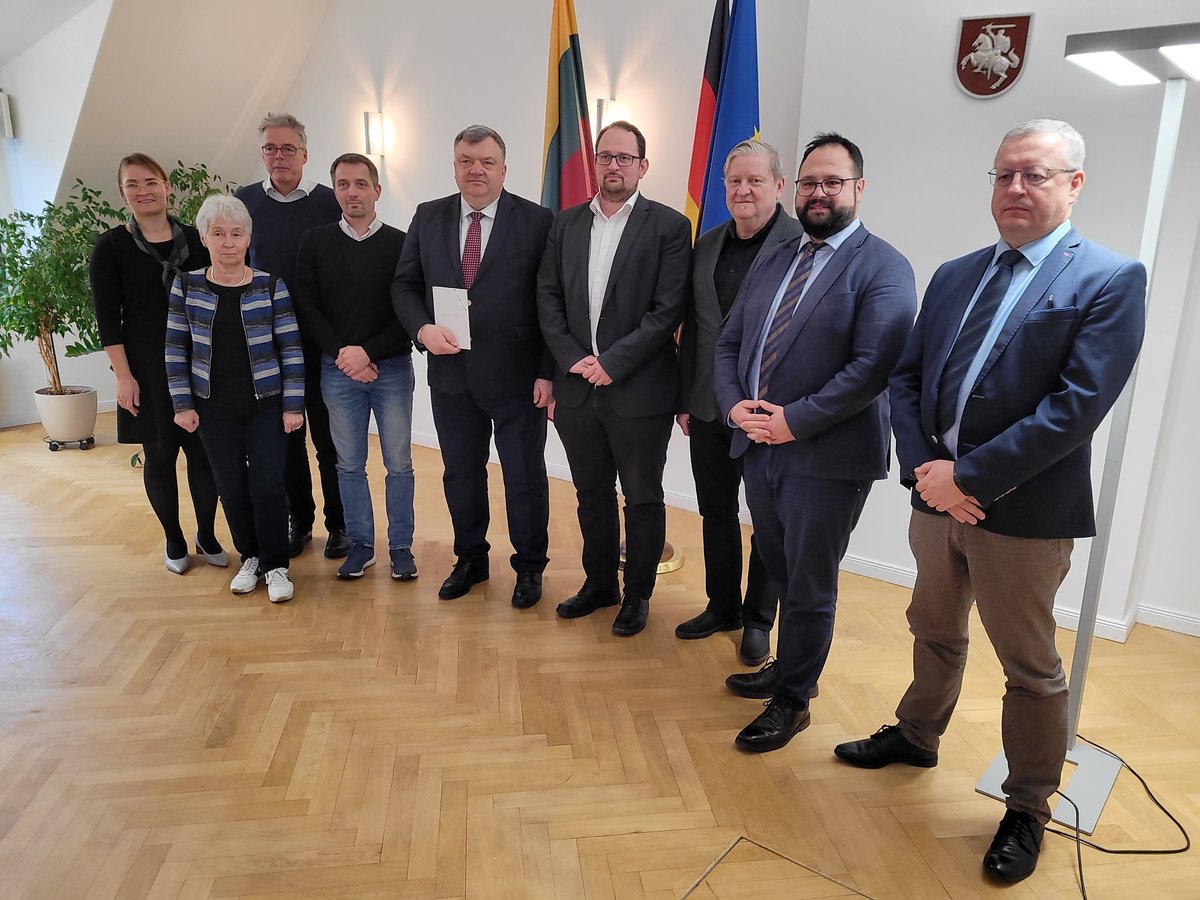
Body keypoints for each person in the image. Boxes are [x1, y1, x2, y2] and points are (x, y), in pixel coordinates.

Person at [834, 120, 1146, 884]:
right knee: (933, 628)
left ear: (1074, 185)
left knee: (1031, 666)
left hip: (1026, 514)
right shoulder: (955, 273)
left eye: (1035, 175)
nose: (1015, 188)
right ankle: (916, 733)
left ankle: (1028, 806)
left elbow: (1075, 410)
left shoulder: (1109, 278)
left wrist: (966, 478)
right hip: (935, 498)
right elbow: (905, 381)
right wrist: (926, 468)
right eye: (1004, 174)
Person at [714, 133, 916, 751]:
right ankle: (789, 666)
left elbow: (872, 367)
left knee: (809, 583)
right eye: (808, 183)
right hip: (759, 447)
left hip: (826, 458)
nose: (818, 193)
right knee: (778, 565)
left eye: (832, 181)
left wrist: (792, 421)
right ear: (793, 190)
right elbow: (728, 344)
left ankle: (794, 700)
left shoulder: (884, 266)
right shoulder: (776, 257)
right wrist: (734, 408)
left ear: (858, 188)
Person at [537, 120, 691, 636]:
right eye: (606, 156)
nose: (614, 166)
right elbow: (549, 299)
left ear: (643, 166)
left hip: (639, 391)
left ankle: (637, 596)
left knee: (642, 497)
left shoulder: (669, 227)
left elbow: (667, 310)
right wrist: (572, 359)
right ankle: (599, 584)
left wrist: (613, 362)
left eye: (625, 158)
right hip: (578, 389)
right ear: (594, 164)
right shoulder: (564, 225)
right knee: (591, 493)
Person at [392, 125, 553, 607]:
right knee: (460, 473)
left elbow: (552, 301)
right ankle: (471, 560)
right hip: (451, 376)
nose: (476, 169)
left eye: (486, 161)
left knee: (523, 476)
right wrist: (421, 330)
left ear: (504, 168)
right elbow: (404, 286)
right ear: (454, 165)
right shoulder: (428, 216)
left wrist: (548, 370)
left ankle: (529, 567)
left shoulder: (538, 221)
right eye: (466, 160)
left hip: (519, 377)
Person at [675, 139, 802, 666]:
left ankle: (758, 619)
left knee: (768, 520)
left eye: (755, 180)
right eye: (734, 182)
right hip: (708, 404)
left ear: (777, 185)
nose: (743, 190)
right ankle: (722, 604)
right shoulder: (707, 243)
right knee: (716, 511)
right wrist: (686, 398)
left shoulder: (802, 244)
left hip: (770, 409)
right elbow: (694, 329)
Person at [90, 154, 227, 575]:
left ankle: (207, 533)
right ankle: (174, 537)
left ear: (167, 187)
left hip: (200, 363)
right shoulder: (111, 247)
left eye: (150, 181)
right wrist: (123, 377)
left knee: (204, 456)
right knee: (161, 453)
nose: (143, 190)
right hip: (146, 369)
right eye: (133, 184)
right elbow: (108, 319)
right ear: (123, 193)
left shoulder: (196, 238)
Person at [165, 195, 305, 604]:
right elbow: (175, 349)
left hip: (266, 403)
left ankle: (277, 565)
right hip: (212, 406)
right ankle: (251, 557)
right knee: (231, 487)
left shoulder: (269, 284)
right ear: (205, 238)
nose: (228, 242)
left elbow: (291, 349)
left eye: (236, 233)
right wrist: (182, 404)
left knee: (267, 486)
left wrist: (293, 404)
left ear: (248, 238)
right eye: (219, 233)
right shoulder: (186, 286)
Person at [294, 153, 416, 582]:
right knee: (348, 463)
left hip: (392, 370)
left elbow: (408, 312)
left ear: (377, 190)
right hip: (337, 370)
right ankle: (362, 545)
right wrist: (345, 354)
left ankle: (401, 547)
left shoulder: (402, 243)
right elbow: (307, 306)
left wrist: (368, 354)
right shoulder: (315, 241)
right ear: (334, 192)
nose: (352, 192)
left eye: (361, 184)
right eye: (343, 184)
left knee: (399, 463)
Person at [234, 112, 346, 560]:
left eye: (287, 148)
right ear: (262, 154)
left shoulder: (328, 202)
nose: (278, 156)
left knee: (331, 441)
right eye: (269, 149)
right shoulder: (243, 203)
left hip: (323, 343)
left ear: (305, 154)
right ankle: (300, 521)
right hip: (268, 347)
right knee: (287, 442)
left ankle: (339, 524)